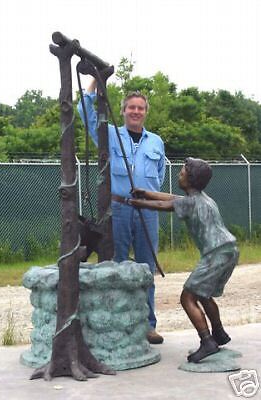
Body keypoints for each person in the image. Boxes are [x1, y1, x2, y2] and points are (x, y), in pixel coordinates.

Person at [77, 79, 166, 344]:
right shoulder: (110, 134)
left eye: (140, 108)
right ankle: (115, 321)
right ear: (124, 110)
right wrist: (93, 82)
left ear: (145, 112)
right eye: (131, 108)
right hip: (118, 209)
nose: (136, 112)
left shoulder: (156, 142)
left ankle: (147, 325)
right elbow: (85, 112)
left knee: (145, 268)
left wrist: (147, 194)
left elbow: (159, 174)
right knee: (115, 264)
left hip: (147, 211)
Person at [129, 157, 239, 362]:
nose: (179, 174)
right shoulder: (203, 198)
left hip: (216, 252)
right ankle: (219, 333)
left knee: (187, 297)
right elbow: (171, 198)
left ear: (191, 179)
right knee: (204, 294)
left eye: (182, 172)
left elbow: (165, 204)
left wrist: (137, 203)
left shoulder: (190, 203)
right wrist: (145, 193)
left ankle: (207, 342)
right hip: (229, 250)